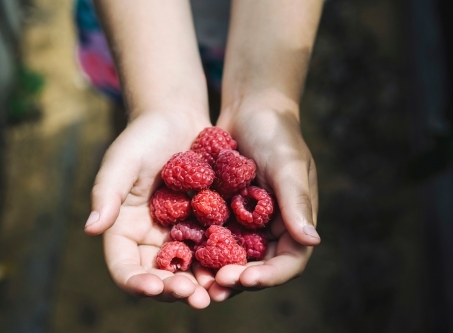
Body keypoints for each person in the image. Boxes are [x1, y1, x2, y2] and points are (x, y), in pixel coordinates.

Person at [81, 0, 323, 309]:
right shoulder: (205, 188)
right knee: (127, 113)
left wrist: (262, 98)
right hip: (137, 36)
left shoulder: (221, 189)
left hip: (266, 38)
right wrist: (157, 105)